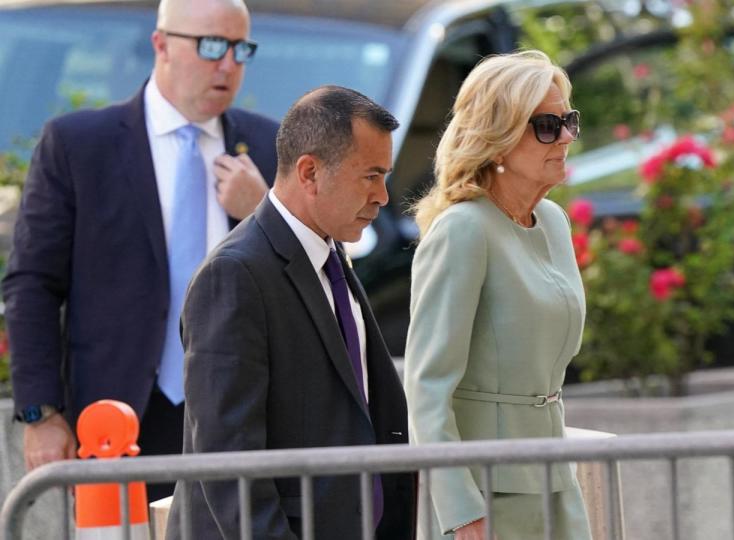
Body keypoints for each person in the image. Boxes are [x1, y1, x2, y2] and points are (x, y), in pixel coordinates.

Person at [1, 0, 278, 500]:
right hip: (117, 418)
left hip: (239, 414)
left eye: (241, 49)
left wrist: (264, 213)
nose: (228, 64)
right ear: (161, 45)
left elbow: (310, 276)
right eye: (212, 46)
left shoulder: (265, 144)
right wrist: (41, 412)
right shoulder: (80, 145)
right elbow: (33, 283)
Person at [166, 86, 416, 540]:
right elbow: (228, 461)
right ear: (309, 172)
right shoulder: (233, 275)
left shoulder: (329, 250)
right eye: (371, 176)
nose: (383, 196)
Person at [405, 50, 591, 540]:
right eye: (547, 126)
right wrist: (460, 508)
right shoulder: (462, 231)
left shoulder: (552, 221)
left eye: (567, 120)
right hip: (486, 495)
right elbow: (427, 389)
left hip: (555, 478)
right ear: (499, 139)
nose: (567, 137)